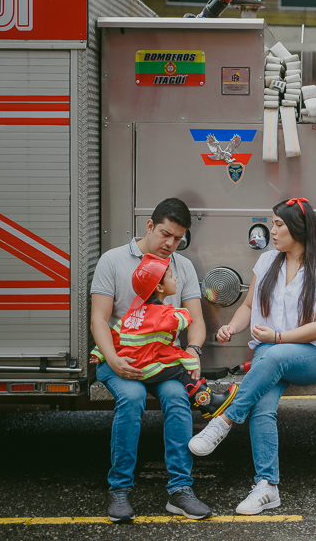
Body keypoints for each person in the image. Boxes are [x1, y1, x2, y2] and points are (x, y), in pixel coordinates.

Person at [188, 197, 316, 515]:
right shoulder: (267, 261)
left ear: (298, 230)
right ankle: (267, 487)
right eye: (272, 223)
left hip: (312, 357)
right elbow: (248, 307)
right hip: (269, 350)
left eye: (278, 224)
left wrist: (277, 338)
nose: (271, 231)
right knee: (262, 405)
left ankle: (224, 419)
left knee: (272, 357)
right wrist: (231, 328)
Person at [91, 198, 212, 523]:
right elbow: (99, 320)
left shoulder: (181, 266)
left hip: (161, 361)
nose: (170, 244)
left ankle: (180, 491)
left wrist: (193, 350)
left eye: (177, 238)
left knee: (177, 397)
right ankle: (119, 490)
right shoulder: (112, 260)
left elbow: (196, 322)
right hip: (122, 355)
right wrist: (114, 361)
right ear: (149, 226)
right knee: (131, 398)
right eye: (165, 234)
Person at [91, 253, 238, 421]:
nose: (175, 278)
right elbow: (186, 319)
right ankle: (210, 402)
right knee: (182, 373)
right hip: (148, 367)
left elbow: (116, 333)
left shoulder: (134, 312)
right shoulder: (162, 314)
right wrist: (177, 310)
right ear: (160, 288)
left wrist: (99, 352)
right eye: (170, 276)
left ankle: (206, 403)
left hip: (136, 362)